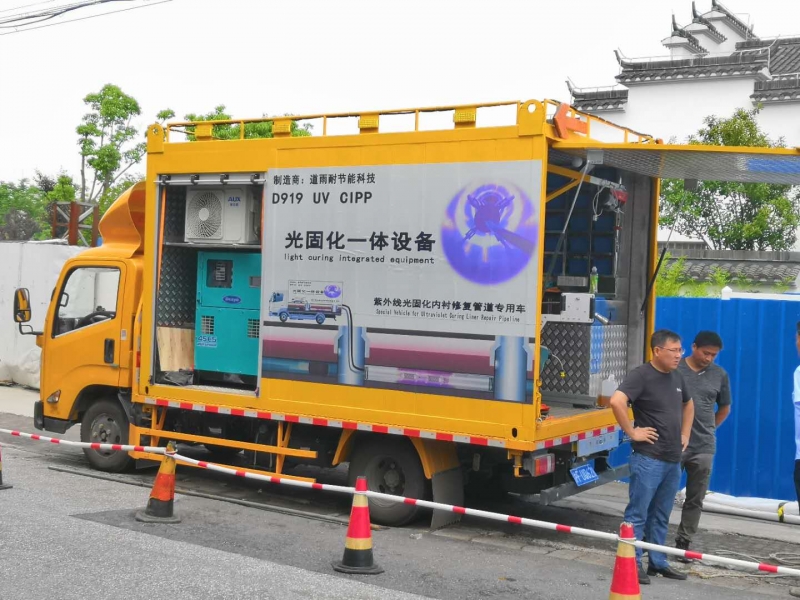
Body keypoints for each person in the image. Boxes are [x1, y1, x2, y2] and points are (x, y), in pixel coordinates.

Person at [609, 329, 694, 585]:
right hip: (648, 458)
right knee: (638, 513)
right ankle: (631, 563)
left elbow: (688, 404)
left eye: (681, 350)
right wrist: (632, 431)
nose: (679, 355)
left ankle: (658, 561)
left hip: (671, 459)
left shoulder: (678, 377)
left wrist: (685, 433)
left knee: (662, 513)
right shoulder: (641, 375)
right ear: (657, 351)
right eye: (674, 350)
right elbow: (616, 401)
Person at [674, 331, 731, 561]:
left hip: (704, 447)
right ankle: (652, 539)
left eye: (714, 355)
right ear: (694, 346)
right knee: (663, 493)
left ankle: (683, 542)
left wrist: (709, 429)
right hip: (674, 444)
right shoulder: (676, 369)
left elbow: (724, 408)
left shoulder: (720, 375)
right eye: (706, 353)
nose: (709, 358)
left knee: (695, 498)